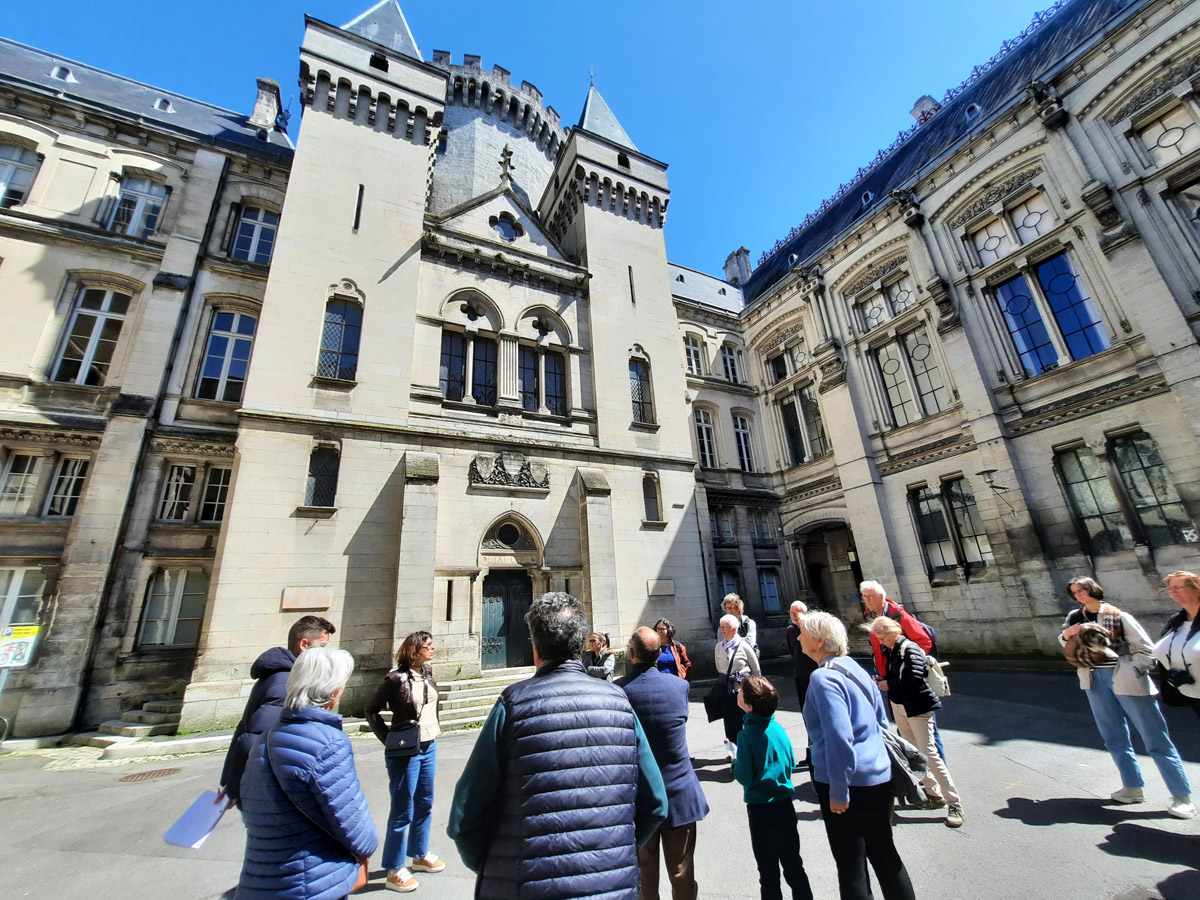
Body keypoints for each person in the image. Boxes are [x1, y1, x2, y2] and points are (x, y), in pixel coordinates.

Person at [447, 592, 668, 900]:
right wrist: (615, 853)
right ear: (581, 646)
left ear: (535, 649)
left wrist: (497, 865)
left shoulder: (512, 706)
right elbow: (655, 803)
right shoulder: (619, 703)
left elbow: (464, 819)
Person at [237, 645, 377, 900]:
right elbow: (354, 823)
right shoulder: (327, 743)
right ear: (334, 689)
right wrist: (366, 850)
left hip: (258, 880)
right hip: (310, 881)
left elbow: (250, 806)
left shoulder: (266, 738)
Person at [800, 612, 916, 900]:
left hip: (847, 784)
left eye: (803, 632)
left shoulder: (823, 678)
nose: (798, 637)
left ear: (818, 641)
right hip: (879, 775)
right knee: (886, 855)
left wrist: (839, 788)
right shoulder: (855, 668)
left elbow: (839, 737)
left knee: (851, 865)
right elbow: (880, 723)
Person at [1060, 576, 1194, 819]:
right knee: (1113, 736)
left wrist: (1132, 670)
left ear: (1093, 589)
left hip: (1123, 676)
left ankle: (1182, 796)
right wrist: (1067, 634)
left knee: (1154, 737)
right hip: (1093, 679)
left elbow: (1147, 651)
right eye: (1075, 592)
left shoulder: (1118, 615)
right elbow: (1065, 643)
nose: (1079, 594)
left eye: (1082, 589)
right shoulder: (1074, 617)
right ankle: (1132, 787)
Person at [617, 627, 709, 900]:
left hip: (640, 797)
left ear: (631, 654)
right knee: (682, 873)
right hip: (679, 793)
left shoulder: (619, 692)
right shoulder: (679, 687)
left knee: (645, 874)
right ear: (660, 654)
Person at [218, 615, 335, 809]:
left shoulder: (280, 675)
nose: (326, 654)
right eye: (322, 646)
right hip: (267, 784)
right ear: (304, 645)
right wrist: (235, 787)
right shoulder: (285, 683)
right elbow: (252, 738)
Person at [365, 631, 444, 893]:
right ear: (414, 649)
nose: (432, 648)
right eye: (427, 645)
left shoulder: (428, 672)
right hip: (406, 750)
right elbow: (371, 710)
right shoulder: (395, 678)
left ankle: (419, 854)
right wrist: (388, 739)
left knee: (425, 802)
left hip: (429, 744)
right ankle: (394, 867)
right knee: (402, 809)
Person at [869, 616, 963, 828]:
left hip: (917, 706)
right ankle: (933, 793)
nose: (880, 641)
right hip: (901, 705)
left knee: (929, 753)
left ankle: (954, 802)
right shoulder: (891, 649)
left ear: (893, 632)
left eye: (881, 637)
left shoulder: (909, 648)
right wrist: (884, 682)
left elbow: (915, 677)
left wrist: (888, 684)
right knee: (913, 752)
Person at [733, 675, 814, 900]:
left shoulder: (746, 736)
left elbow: (745, 777)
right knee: (794, 865)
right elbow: (788, 761)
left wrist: (734, 761)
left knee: (767, 872)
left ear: (748, 706)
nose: (737, 692)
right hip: (785, 806)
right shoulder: (777, 728)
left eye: (740, 691)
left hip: (761, 809)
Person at [860, 580, 944, 759]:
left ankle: (939, 771)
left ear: (881, 596)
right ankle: (920, 775)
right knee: (905, 730)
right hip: (889, 680)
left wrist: (908, 663)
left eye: (870, 596)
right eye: (864, 596)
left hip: (909, 680)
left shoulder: (899, 615)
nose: (866, 600)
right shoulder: (870, 615)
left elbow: (924, 642)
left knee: (927, 735)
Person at [715, 612, 761, 760]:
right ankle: (734, 755)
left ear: (734, 629)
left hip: (743, 689)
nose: (722, 630)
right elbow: (719, 667)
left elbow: (756, 669)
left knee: (746, 720)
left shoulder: (744, 646)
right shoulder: (718, 647)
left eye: (726, 627)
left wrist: (754, 688)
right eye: (721, 626)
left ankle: (750, 752)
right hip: (726, 690)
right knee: (729, 722)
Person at [1155, 570, 1200, 720]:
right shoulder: (1176, 620)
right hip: (1190, 694)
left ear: (1196, 587)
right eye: (1170, 588)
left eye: (1178, 587)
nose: (1172, 591)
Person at [785, 600, 818, 767]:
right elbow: (794, 651)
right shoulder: (791, 631)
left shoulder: (814, 628)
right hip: (801, 676)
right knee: (807, 713)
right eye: (792, 614)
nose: (795, 617)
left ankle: (820, 750)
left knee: (820, 712)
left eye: (798, 614)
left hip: (816, 675)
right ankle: (812, 750)